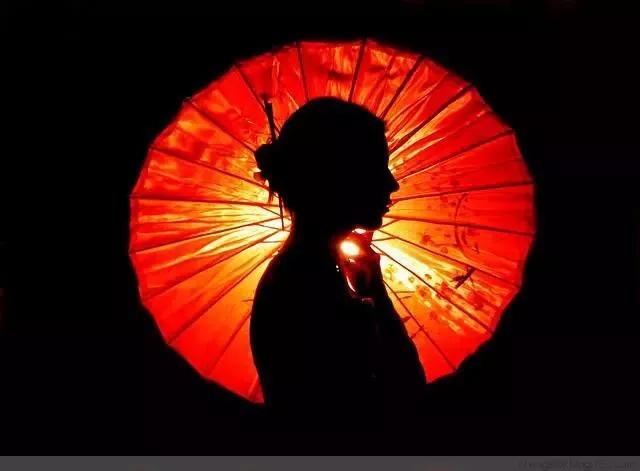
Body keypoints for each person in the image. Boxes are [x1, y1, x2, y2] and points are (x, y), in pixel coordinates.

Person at [249, 97, 426, 430]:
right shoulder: (305, 290)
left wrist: (375, 292)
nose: (392, 183)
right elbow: (403, 399)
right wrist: (379, 304)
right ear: (337, 177)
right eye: (376, 168)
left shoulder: (305, 274)